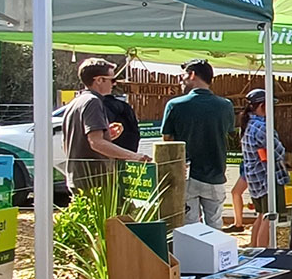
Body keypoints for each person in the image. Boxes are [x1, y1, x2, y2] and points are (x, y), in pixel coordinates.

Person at [160, 59, 234, 227]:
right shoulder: (226, 106)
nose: (181, 80)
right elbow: (230, 136)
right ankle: (215, 254)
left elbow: (167, 142)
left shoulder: (175, 105)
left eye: (182, 76)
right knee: (215, 225)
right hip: (215, 174)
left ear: (192, 75)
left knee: (189, 228)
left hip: (185, 175)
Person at [62, 57, 150, 193]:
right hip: (95, 181)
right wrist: (135, 156)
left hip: (78, 178)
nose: (114, 84)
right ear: (99, 80)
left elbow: (73, 141)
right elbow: (96, 143)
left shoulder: (76, 102)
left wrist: (107, 134)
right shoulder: (93, 101)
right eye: (112, 80)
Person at [236, 88, 286, 247]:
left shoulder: (248, 125)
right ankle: (263, 251)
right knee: (270, 216)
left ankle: (253, 247)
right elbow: (278, 151)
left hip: (255, 178)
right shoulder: (261, 127)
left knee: (261, 214)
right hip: (267, 178)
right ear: (263, 105)